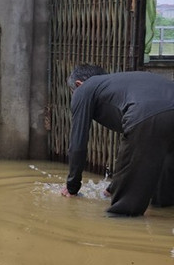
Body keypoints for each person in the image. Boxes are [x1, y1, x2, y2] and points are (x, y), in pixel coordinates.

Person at [62, 63, 174, 216]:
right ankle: (163, 208)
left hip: (147, 113)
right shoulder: (119, 84)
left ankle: (122, 228)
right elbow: (137, 152)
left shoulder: (84, 90)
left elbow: (78, 145)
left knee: (124, 210)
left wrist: (72, 186)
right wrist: (113, 186)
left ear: (78, 84)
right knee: (168, 165)